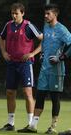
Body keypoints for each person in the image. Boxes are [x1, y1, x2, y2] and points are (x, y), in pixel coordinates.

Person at [18, 3, 71, 134]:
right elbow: (44, 43)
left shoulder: (62, 30)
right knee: (40, 96)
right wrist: (41, 54)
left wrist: (61, 57)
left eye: (49, 13)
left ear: (55, 14)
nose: (46, 16)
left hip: (56, 70)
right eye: (45, 13)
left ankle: (52, 127)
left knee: (55, 98)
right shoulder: (46, 27)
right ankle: (33, 126)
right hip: (44, 69)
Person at [0, 2, 43, 132]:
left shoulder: (28, 26)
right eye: (12, 13)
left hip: (25, 64)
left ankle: (31, 124)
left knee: (28, 93)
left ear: (22, 13)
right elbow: (1, 38)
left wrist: (32, 53)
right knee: (10, 92)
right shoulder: (8, 25)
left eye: (16, 13)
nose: (14, 15)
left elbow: (43, 39)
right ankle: (10, 123)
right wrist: (4, 52)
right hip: (12, 63)